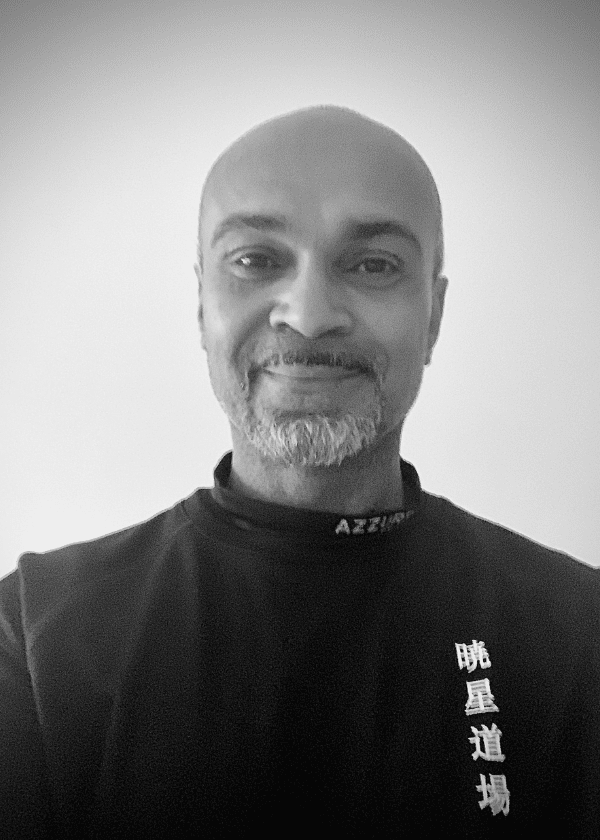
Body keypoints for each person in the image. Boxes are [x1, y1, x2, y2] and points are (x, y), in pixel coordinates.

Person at [1, 105, 598, 839]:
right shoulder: (33, 637)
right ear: (201, 305)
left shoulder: (581, 635)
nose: (310, 315)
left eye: (373, 265)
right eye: (256, 260)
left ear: (434, 316)